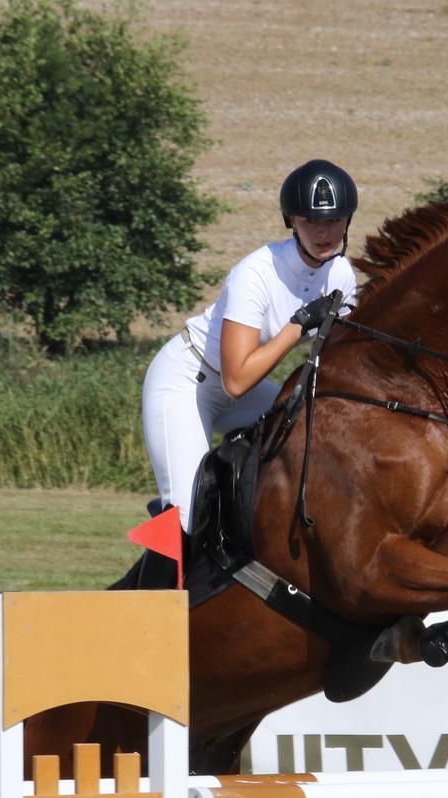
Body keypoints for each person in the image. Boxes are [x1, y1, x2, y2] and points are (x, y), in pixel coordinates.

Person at [142, 158, 361, 532]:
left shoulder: (341, 274)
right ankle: (164, 544)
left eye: (334, 219)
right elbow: (236, 381)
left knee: (314, 439)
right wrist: (297, 327)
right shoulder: (256, 273)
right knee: (188, 517)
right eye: (311, 220)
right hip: (186, 382)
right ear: (291, 220)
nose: (324, 232)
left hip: (240, 392)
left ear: (348, 220)